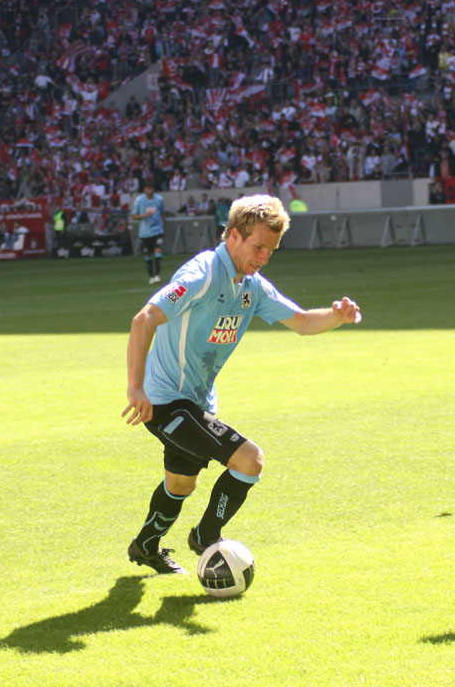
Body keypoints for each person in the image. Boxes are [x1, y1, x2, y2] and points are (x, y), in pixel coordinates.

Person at [122, 194, 363, 574]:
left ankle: (145, 546)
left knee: (182, 484)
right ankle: (205, 537)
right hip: (165, 401)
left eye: (271, 251)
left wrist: (337, 317)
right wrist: (135, 387)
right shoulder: (201, 275)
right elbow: (144, 319)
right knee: (250, 461)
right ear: (234, 235)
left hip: (197, 403)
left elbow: (302, 322)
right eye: (258, 247)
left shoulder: (251, 287)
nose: (264, 258)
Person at [131, 182, 166, 284]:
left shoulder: (159, 199)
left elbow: (162, 213)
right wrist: (144, 215)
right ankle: (151, 276)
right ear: (144, 189)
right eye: (148, 189)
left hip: (157, 230)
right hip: (144, 232)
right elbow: (133, 216)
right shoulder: (139, 200)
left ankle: (157, 275)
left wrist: (163, 227)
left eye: (151, 188)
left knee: (158, 250)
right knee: (147, 254)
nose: (150, 191)